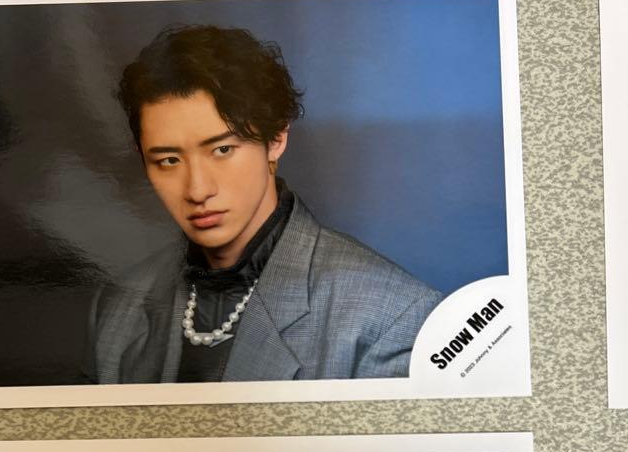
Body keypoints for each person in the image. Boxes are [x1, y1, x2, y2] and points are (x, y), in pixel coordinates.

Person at [86, 25, 441, 383]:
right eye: (169, 160)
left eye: (222, 150)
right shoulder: (120, 304)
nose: (197, 189)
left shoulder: (389, 315)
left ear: (275, 139)